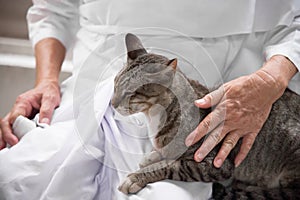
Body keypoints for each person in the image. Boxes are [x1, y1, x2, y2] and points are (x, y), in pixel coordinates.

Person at [0, 0, 299, 199]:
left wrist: (270, 80)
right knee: (19, 176)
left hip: (230, 91)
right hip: (102, 76)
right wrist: (46, 82)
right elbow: (54, 7)